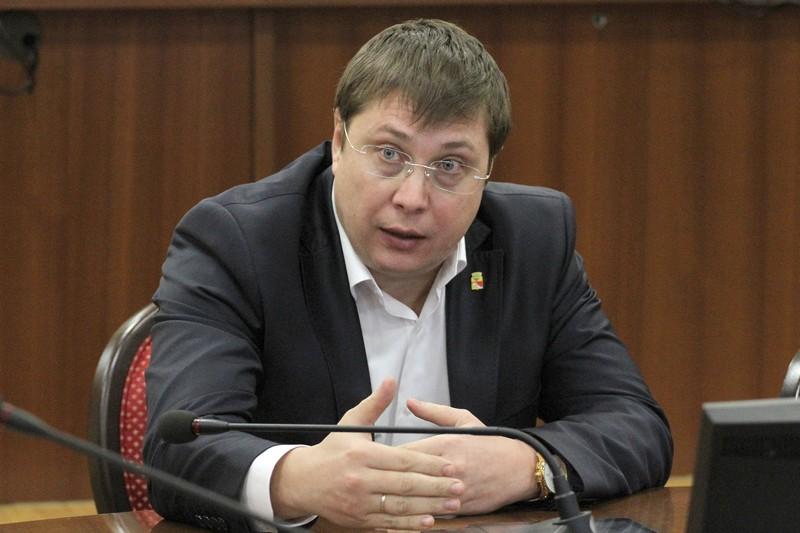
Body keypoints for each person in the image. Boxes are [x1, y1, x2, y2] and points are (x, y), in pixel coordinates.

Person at [144, 18, 672, 532]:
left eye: (450, 166)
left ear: (488, 169)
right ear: (338, 140)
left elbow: (634, 424)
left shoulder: (534, 241)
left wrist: (524, 465)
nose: (412, 198)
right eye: (389, 154)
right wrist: (301, 480)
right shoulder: (238, 242)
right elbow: (179, 447)